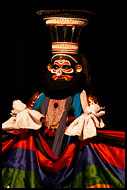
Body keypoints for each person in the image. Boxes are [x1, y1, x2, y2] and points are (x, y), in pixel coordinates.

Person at [2, 10, 125, 188]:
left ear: (78, 69)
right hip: (37, 162)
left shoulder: (87, 101)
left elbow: (99, 139)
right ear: (49, 67)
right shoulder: (37, 98)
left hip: (73, 162)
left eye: (65, 67)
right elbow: (20, 128)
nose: (58, 73)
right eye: (55, 67)